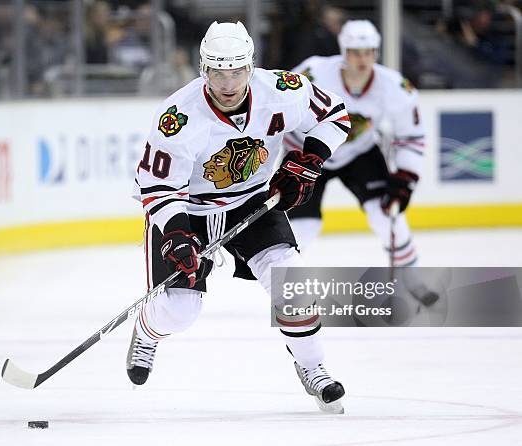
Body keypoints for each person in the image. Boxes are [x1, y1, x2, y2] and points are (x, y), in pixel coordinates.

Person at [128, 21, 351, 413]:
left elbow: (335, 115)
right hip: (189, 211)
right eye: (218, 72)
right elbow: (157, 187)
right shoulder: (178, 116)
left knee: (293, 285)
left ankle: (314, 368)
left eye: (236, 71)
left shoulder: (282, 90)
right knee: (180, 311)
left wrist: (310, 159)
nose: (228, 83)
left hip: (252, 201)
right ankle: (148, 330)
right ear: (203, 70)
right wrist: (177, 235)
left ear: (251, 66)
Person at [285, 20, 438, 305]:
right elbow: (277, 108)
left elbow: (412, 135)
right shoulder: (314, 72)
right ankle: (285, 286)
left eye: (369, 52)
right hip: (310, 153)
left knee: (385, 215)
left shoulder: (394, 86)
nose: (362, 59)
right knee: (304, 228)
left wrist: (406, 177)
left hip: (360, 154)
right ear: (344, 51)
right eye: (356, 52)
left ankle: (413, 277)